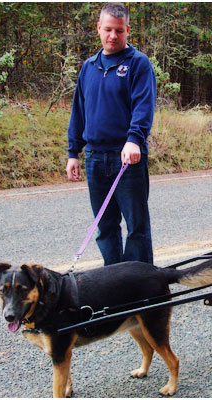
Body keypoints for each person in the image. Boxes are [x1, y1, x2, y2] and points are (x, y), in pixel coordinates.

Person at [65, 2, 157, 265]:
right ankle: (115, 284)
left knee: (136, 227)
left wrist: (134, 139)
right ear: (98, 29)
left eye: (119, 30)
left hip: (127, 159)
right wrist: (73, 153)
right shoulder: (89, 67)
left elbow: (144, 106)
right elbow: (78, 112)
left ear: (128, 30)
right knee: (105, 227)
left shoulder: (138, 64)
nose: (113, 36)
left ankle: (141, 289)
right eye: (108, 30)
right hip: (95, 158)